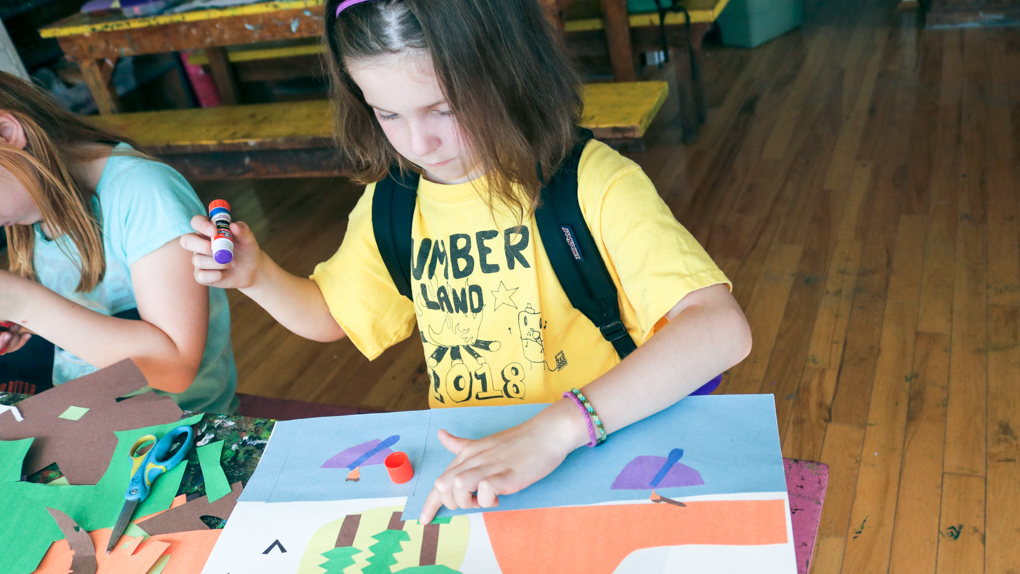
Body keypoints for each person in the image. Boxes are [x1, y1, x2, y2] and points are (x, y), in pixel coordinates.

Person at [182, 0, 751, 522]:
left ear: (509, 72)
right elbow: (335, 314)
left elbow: (720, 327)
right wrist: (254, 276)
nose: (418, 142)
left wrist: (554, 432)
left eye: (443, 108)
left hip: (605, 448)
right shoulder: (393, 202)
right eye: (388, 114)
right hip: (480, 468)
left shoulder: (594, 183)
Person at [0, 71, 238, 414]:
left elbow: (175, 370)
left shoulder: (144, 191)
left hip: (179, 426)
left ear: (7, 133)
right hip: (84, 417)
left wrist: (25, 303)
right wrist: (21, 321)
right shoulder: (30, 212)